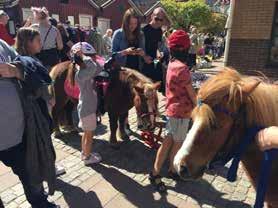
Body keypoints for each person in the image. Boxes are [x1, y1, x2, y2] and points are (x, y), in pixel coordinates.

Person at [0, 38, 60, 208]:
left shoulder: (1, 44)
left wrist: (15, 70)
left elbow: (25, 66)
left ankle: (40, 203)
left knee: (30, 175)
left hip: (18, 131)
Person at [149, 30, 197, 193]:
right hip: (181, 112)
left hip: (173, 110)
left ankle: (171, 169)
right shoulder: (183, 69)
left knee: (173, 142)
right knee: (173, 143)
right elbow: (192, 94)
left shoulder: (171, 63)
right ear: (184, 49)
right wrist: (200, 106)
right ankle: (155, 173)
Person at [68, 42, 102, 165]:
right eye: (89, 56)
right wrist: (85, 57)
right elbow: (93, 67)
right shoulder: (81, 74)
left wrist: (91, 58)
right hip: (87, 109)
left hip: (87, 108)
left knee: (86, 133)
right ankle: (88, 158)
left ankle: (84, 153)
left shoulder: (84, 71)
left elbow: (98, 68)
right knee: (89, 135)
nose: (92, 58)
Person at [142, 7, 167, 93]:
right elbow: (139, 47)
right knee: (147, 87)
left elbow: (158, 46)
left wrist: (159, 52)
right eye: (156, 18)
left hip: (155, 61)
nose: (158, 22)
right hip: (145, 63)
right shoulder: (144, 30)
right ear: (152, 16)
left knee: (158, 86)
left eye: (161, 20)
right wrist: (144, 56)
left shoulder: (159, 31)